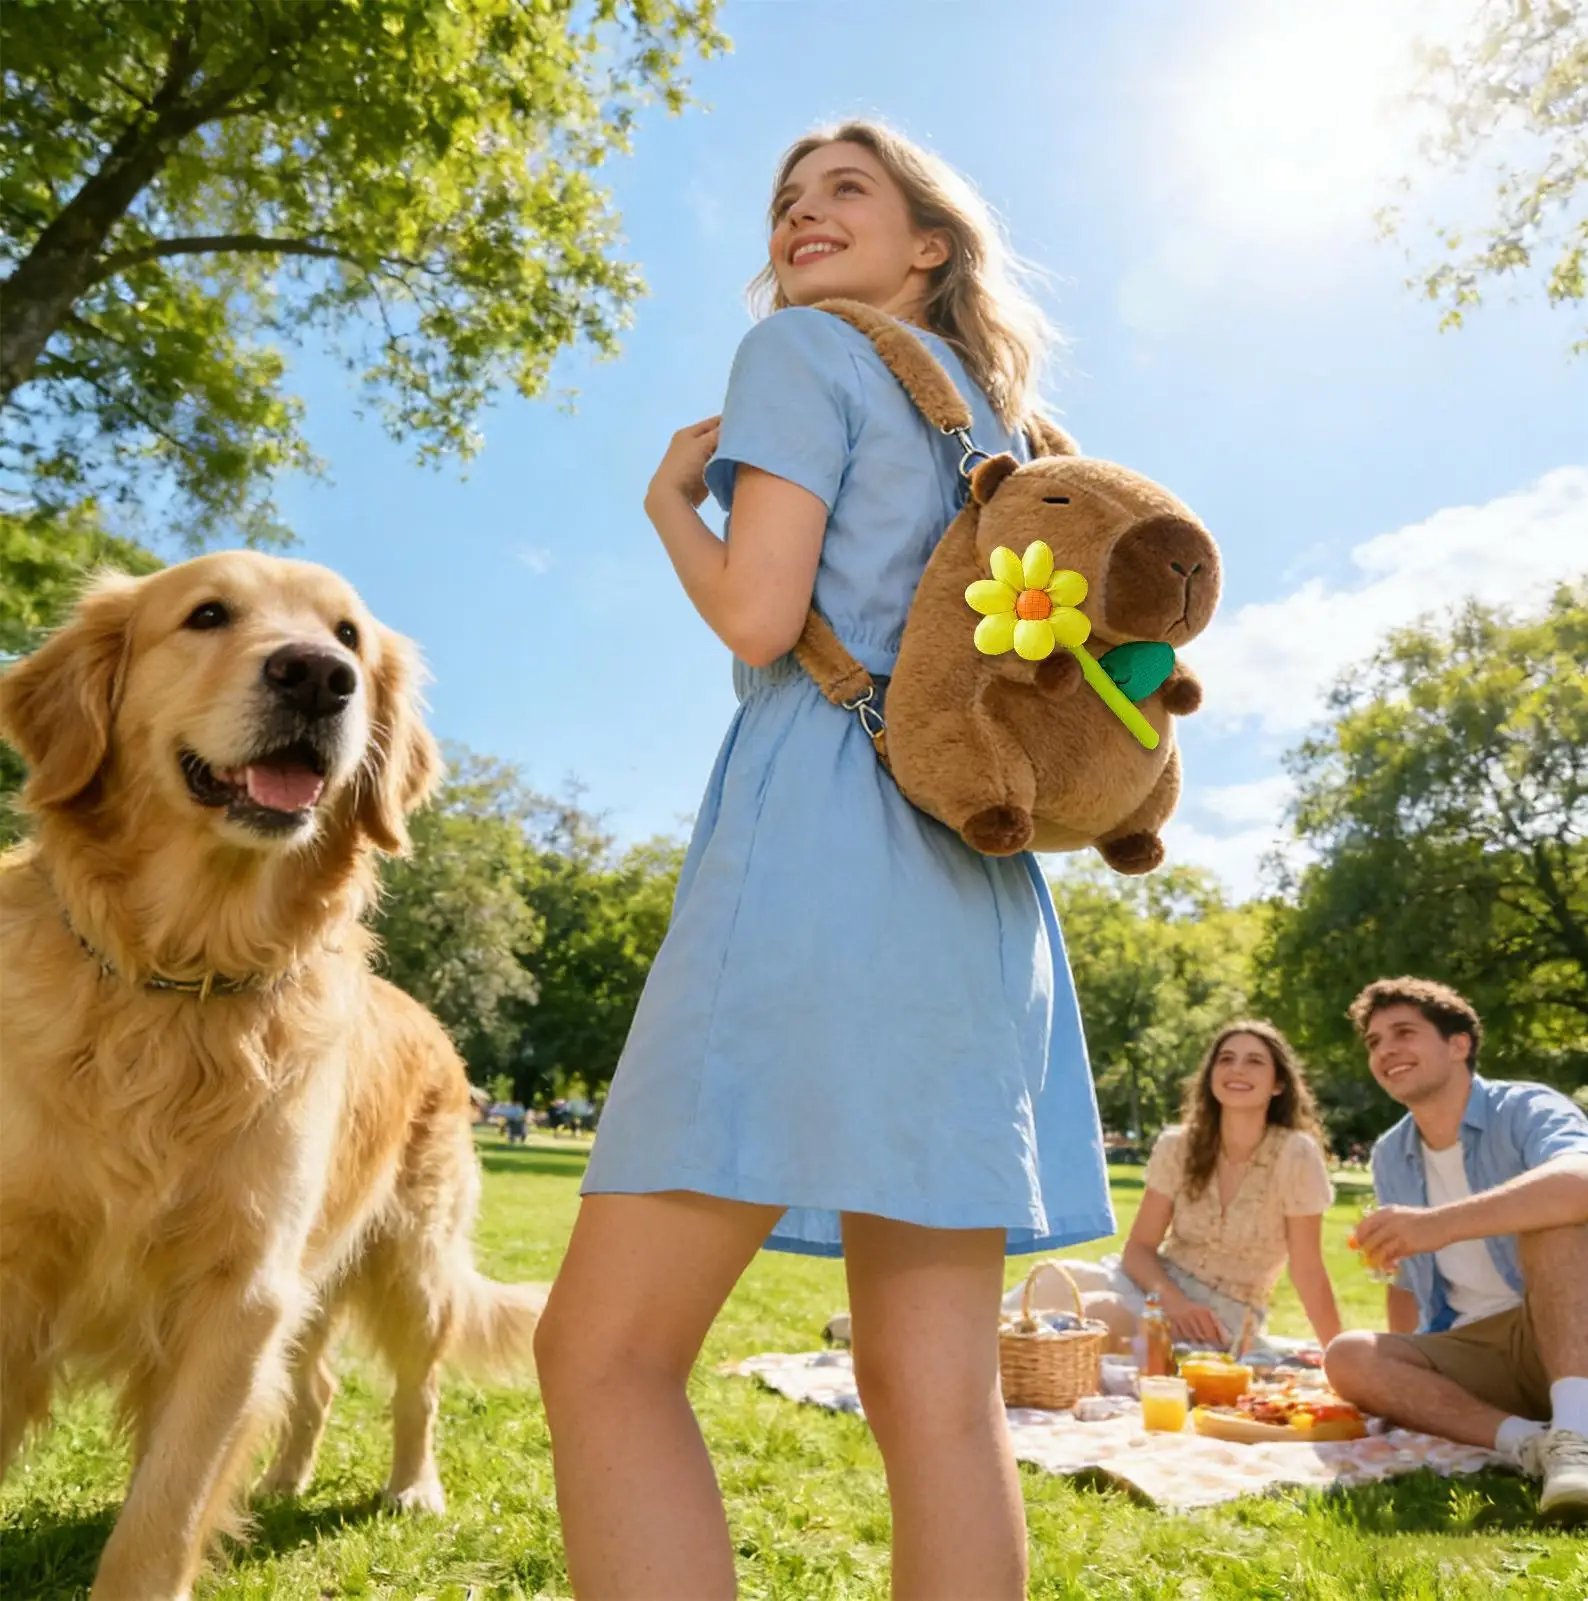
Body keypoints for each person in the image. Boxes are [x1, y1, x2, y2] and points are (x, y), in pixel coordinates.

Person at [532, 121, 1114, 1600]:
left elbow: (755, 613)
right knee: (942, 1403)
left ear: (930, 241)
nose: (800, 215)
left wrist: (675, 503)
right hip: (979, 903)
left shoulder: (802, 357)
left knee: (604, 1353)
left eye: (843, 189)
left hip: (821, 859)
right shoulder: (1012, 438)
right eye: (785, 198)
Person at [1323, 977, 1588, 1522]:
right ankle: (1534, 1445)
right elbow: (1406, 1281)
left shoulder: (1523, 1107)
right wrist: (1399, 1382)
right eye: (1375, 1041)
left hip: (1572, 1328)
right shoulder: (1390, 1154)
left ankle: (1583, 1443)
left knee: (1553, 1221)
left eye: (1404, 1032)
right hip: (1475, 1348)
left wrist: (1438, 1225)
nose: (1386, 1051)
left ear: (1459, 1044)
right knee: (1348, 1354)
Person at [1019, 1021, 1344, 1353]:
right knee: (1052, 1281)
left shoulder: (1296, 1153)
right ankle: (972, 1368)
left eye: (1254, 1061)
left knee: (1100, 1314)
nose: (1237, 1069)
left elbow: (1308, 1270)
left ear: (1278, 1085)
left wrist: (1336, 1355)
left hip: (1222, 1315)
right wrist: (1173, 1302)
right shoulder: (1178, 1145)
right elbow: (1139, 1249)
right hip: (1156, 1286)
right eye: (1226, 1059)